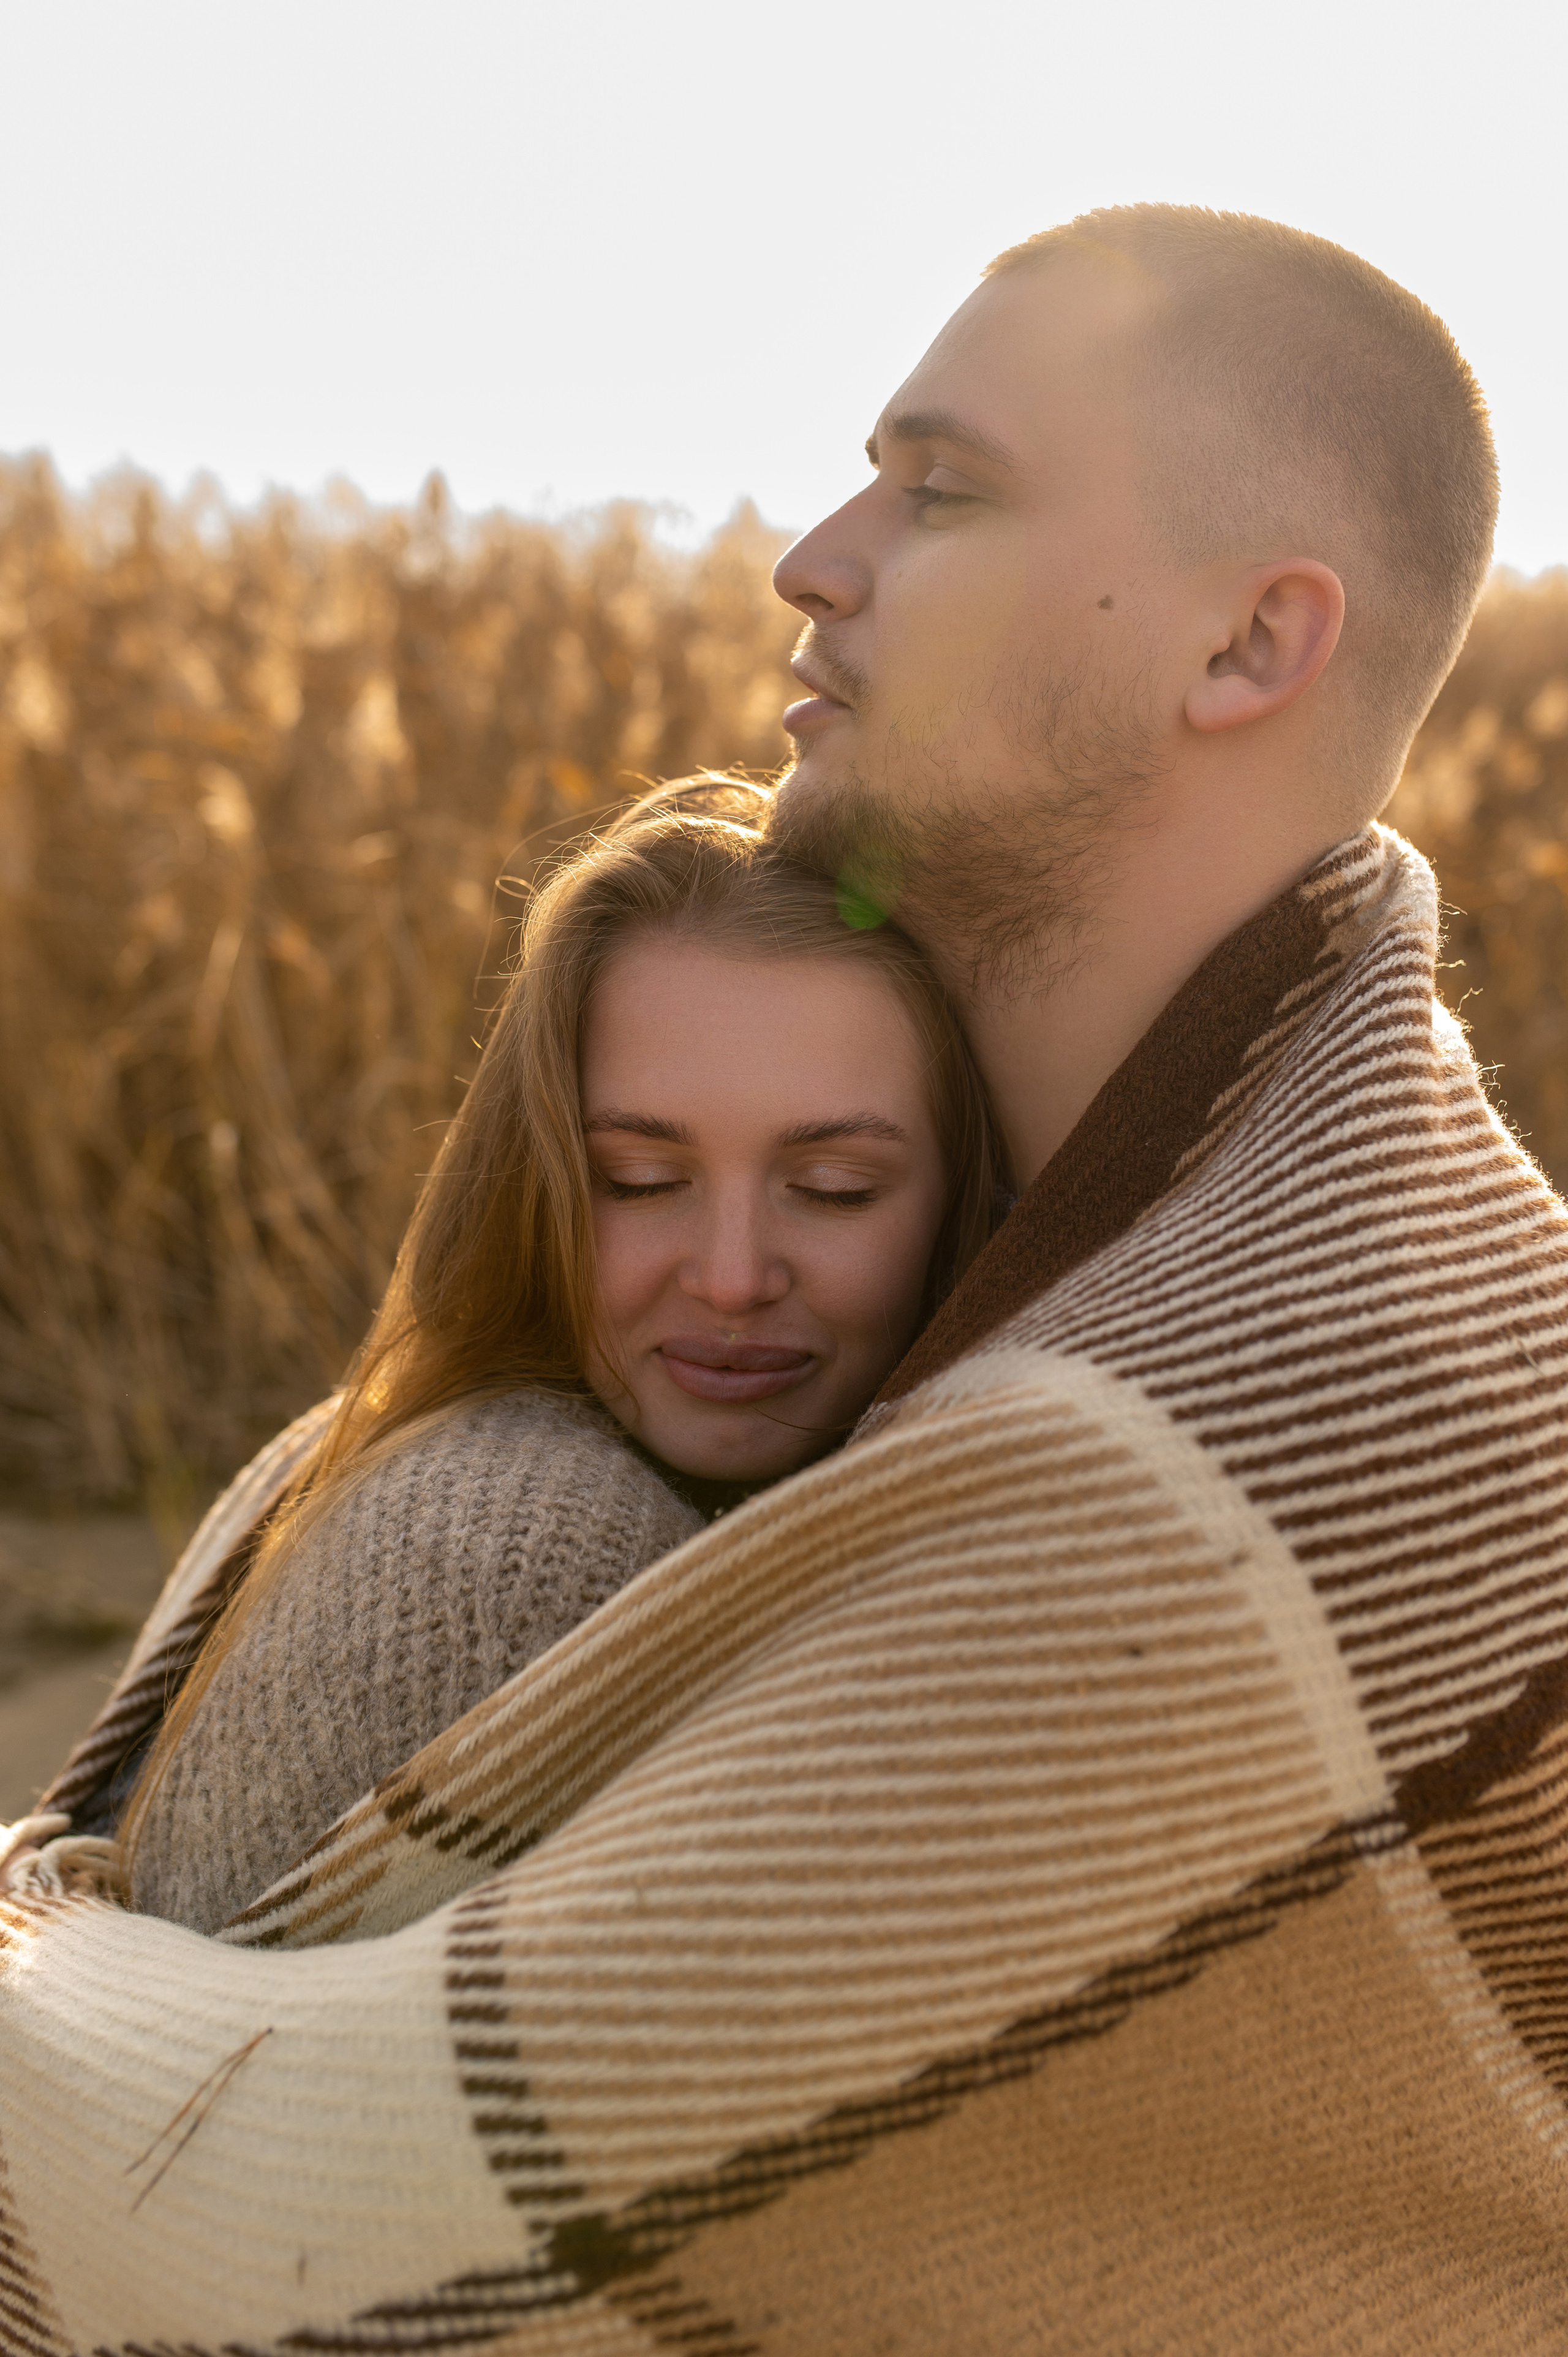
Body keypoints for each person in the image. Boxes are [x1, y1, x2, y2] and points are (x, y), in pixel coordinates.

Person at [6, 205, 1568, 2354]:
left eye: (943, 489)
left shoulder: (1281, 1420)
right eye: (648, 1173)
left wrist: (28, 1933)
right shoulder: (1114, 1304)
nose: (814, 558)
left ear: (1241, 650)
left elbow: (347, 2264)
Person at [104, 775, 1000, 1932]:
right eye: (640, 1181)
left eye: (834, 1192)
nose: (733, 1277)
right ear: (537, 1182)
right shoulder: (545, 1553)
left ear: (963, 1201)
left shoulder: (330, 1442)